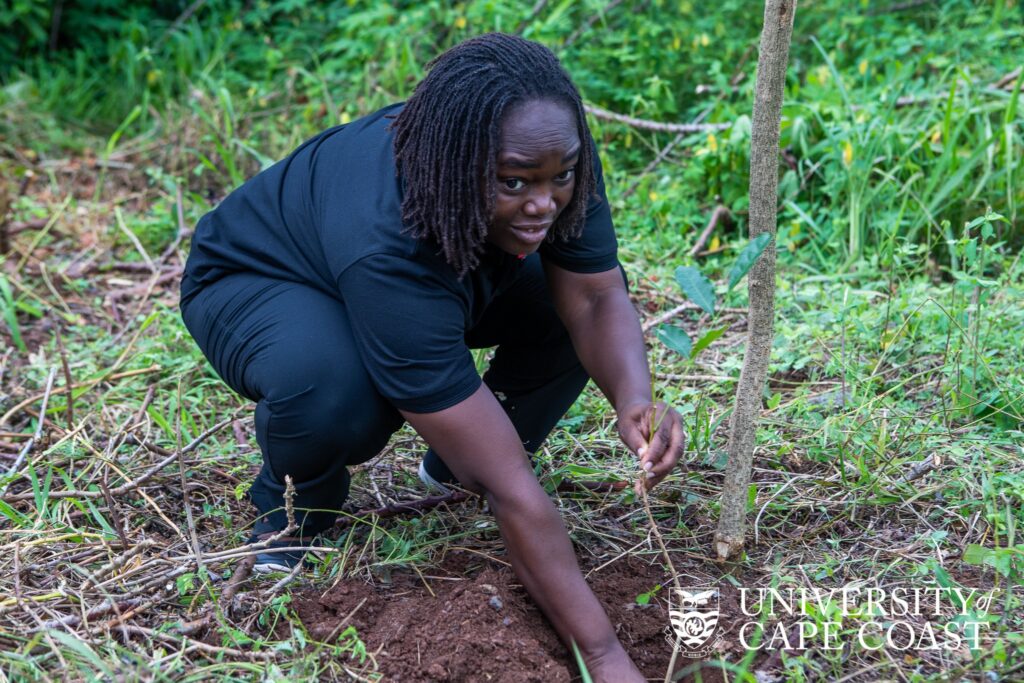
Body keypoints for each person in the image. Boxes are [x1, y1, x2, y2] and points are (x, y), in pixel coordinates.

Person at [179, 32, 684, 682]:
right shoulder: (386, 242)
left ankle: (452, 466)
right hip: (262, 280)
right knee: (335, 390)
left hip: (446, 256)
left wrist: (634, 396)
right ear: (461, 166)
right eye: (515, 181)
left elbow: (592, 299)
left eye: (560, 177)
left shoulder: (547, 154)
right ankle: (297, 509)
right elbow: (513, 491)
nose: (544, 202)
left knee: (560, 314)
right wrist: (606, 654)